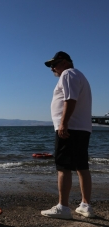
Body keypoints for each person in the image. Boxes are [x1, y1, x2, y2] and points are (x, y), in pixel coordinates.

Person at [41, 51, 94, 219]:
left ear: (64, 62)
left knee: (63, 167)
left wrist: (63, 124)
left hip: (70, 128)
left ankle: (63, 207)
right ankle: (85, 205)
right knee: (81, 166)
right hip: (81, 128)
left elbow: (70, 99)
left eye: (54, 64)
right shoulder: (79, 75)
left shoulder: (68, 74)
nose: (52, 69)